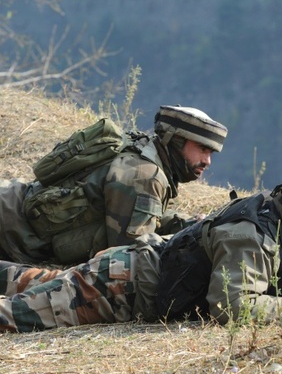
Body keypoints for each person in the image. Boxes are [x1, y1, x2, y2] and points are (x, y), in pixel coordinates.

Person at [0, 155, 282, 332]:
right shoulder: (251, 235)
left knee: (34, 284)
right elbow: (232, 306)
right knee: (17, 316)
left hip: (128, 273)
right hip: (119, 287)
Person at [0, 105, 228, 265]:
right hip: (10, 230)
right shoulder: (145, 176)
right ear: (176, 140)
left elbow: (138, 218)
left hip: (11, 207)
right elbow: (131, 256)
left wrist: (185, 225)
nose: (207, 161)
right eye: (202, 149)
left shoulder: (141, 150)